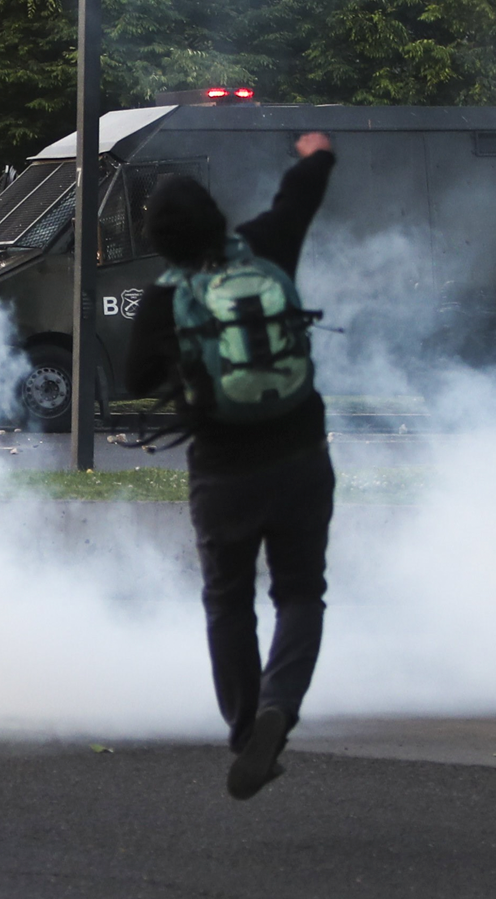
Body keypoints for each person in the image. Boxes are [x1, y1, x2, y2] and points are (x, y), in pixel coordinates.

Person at [124, 131, 337, 801]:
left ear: (159, 239)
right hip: (302, 453)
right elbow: (302, 192)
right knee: (300, 592)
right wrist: (315, 153)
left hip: (222, 472)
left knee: (228, 599)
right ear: (217, 218)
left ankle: (247, 730)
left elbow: (135, 375)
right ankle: (282, 705)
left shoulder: (165, 296)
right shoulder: (267, 245)